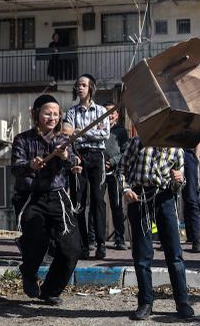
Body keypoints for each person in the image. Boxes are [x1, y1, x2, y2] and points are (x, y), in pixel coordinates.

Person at [12, 94, 81, 305]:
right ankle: (29, 273)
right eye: (47, 113)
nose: (52, 118)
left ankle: (51, 290)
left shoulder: (62, 140)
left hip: (57, 197)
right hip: (31, 198)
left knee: (72, 248)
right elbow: (16, 167)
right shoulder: (22, 139)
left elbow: (74, 162)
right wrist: (30, 165)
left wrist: (66, 157)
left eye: (56, 114)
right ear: (35, 114)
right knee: (36, 241)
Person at [118, 134, 194, 320]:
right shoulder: (138, 141)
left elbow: (177, 186)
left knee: (174, 253)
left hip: (165, 197)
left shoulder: (177, 149)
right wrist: (126, 189)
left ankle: (182, 302)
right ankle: (145, 302)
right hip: (140, 197)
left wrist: (179, 179)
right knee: (142, 254)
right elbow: (121, 169)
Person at [64, 74, 110, 259]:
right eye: (78, 85)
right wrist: (91, 131)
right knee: (78, 202)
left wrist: (80, 131)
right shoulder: (71, 112)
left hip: (97, 157)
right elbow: (68, 134)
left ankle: (100, 243)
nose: (80, 88)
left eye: (83, 85)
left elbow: (105, 134)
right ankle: (83, 245)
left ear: (91, 88)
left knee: (98, 200)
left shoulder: (101, 111)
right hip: (78, 157)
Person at [102, 101, 129, 250]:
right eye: (106, 112)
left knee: (116, 206)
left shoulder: (121, 131)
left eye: (112, 112)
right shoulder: (97, 129)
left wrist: (112, 161)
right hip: (99, 172)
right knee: (97, 205)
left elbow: (125, 151)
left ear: (117, 115)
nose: (109, 115)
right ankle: (94, 239)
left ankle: (120, 239)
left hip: (114, 172)